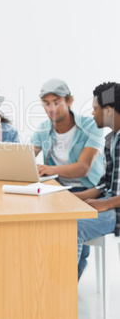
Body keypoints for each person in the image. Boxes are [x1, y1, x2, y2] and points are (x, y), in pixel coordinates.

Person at [76, 82, 120, 279]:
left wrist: (105, 204)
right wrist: (74, 197)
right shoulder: (111, 139)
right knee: (63, 216)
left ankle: (62, 299)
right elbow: (105, 184)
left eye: (95, 108)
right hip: (110, 205)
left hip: (116, 211)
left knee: (72, 226)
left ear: (108, 110)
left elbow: (109, 196)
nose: (93, 114)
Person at [31, 78, 104, 191]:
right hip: (59, 187)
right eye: (46, 103)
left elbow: (83, 168)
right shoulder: (43, 129)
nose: (52, 108)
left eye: (56, 102)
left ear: (69, 101)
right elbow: (28, 157)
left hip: (89, 189)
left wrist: (51, 169)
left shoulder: (92, 125)